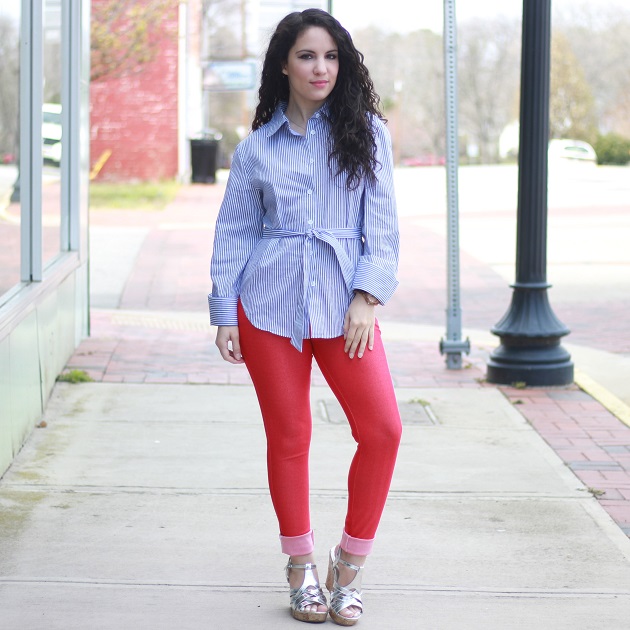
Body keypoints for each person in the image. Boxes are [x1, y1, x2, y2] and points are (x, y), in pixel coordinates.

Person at [209, 8, 401, 626]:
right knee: (289, 438)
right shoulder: (257, 148)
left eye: (331, 57)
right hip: (268, 307)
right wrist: (224, 312)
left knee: (383, 430)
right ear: (284, 67)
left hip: (347, 307)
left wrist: (366, 298)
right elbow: (235, 232)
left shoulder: (367, 132)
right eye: (307, 56)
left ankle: (349, 565)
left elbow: (385, 226)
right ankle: (300, 568)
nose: (321, 68)